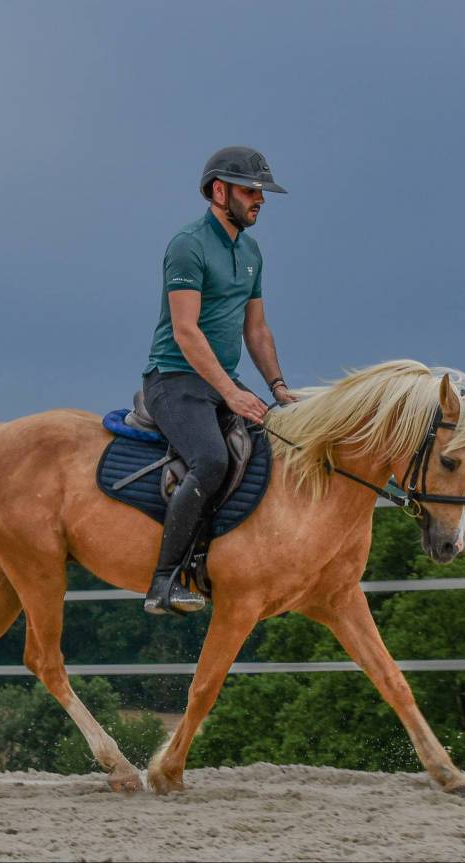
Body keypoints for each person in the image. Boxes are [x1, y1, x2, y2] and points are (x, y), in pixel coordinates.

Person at [140, 146, 299, 615]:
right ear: (218, 190)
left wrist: (277, 388)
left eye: (262, 192)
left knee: (276, 442)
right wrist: (232, 392)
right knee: (210, 459)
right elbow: (186, 331)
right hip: (174, 380)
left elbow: (256, 329)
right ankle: (164, 582)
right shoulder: (187, 244)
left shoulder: (250, 251)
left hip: (220, 381)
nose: (260, 200)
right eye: (251, 190)